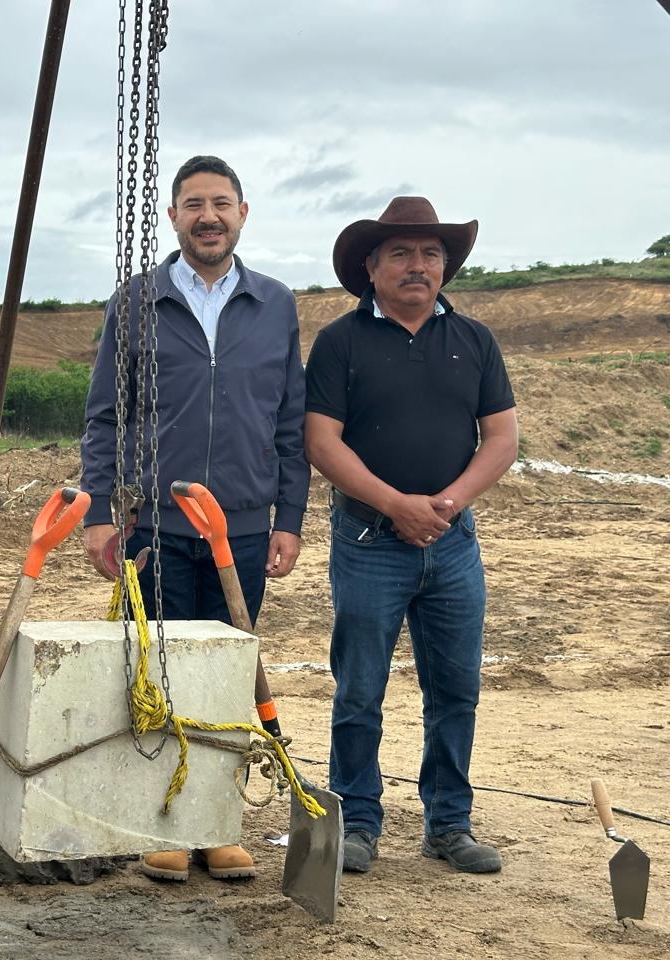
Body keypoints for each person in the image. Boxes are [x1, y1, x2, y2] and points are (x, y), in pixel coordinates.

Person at [80, 155, 310, 883]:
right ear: (173, 216)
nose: (207, 216)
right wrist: (95, 513)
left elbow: (289, 420)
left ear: (242, 213)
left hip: (242, 525)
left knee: (229, 675)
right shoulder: (137, 299)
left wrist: (290, 516)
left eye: (220, 203)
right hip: (156, 526)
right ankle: (165, 822)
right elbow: (104, 418)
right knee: (159, 671)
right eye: (193, 204)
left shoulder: (273, 303)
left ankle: (215, 823)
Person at [304, 196, 518, 875]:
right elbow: (320, 440)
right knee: (359, 689)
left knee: (456, 689)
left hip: (454, 545)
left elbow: (503, 438)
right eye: (400, 253)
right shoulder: (340, 341)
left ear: (445, 266)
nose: (417, 265)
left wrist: (446, 504)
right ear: (370, 267)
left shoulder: (475, 340)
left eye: (430, 253)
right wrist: (395, 503)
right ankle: (359, 822)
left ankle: (448, 822)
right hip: (368, 543)